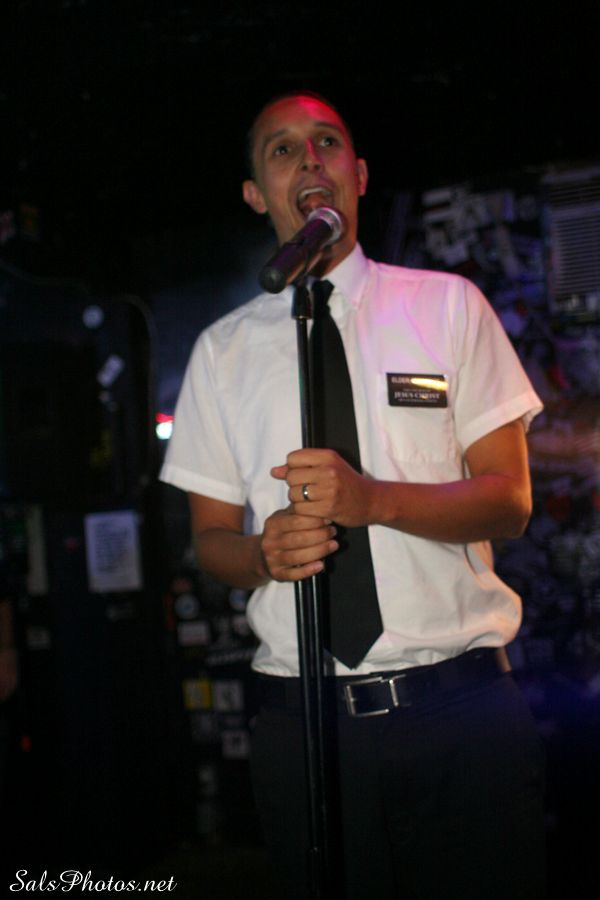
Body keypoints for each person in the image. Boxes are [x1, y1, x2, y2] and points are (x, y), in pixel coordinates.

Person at [160, 90, 546, 900]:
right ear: (255, 194)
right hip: (305, 726)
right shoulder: (223, 352)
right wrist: (264, 554)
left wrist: (372, 502)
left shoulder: (445, 305)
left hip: (461, 711)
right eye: (282, 150)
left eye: (327, 142)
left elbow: (509, 501)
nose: (309, 159)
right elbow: (211, 541)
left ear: (359, 175)